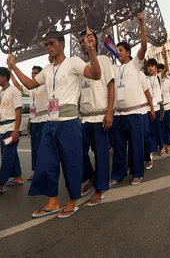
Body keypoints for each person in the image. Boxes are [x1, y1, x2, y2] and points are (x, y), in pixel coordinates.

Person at [8, 29, 101, 219]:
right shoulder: (47, 70)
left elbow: (95, 74)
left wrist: (91, 50)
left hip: (69, 123)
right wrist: (14, 67)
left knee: (71, 163)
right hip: (50, 123)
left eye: (51, 43)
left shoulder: (73, 62)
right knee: (46, 163)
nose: (48, 48)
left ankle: (72, 201)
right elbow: (30, 84)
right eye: (46, 45)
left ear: (62, 43)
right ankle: (52, 201)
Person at [111, 13, 152, 187]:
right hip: (118, 114)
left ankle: (137, 173)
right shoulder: (113, 68)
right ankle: (118, 174)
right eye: (116, 50)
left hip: (135, 113)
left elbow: (143, 46)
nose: (118, 52)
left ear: (128, 52)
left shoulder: (135, 64)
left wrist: (141, 24)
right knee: (119, 147)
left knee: (136, 145)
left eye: (121, 50)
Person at [78, 31, 115, 207]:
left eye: (88, 39)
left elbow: (111, 86)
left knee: (101, 154)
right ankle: (91, 176)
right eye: (82, 41)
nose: (84, 43)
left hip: (100, 115)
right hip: (84, 118)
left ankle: (100, 188)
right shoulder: (81, 66)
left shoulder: (104, 60)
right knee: (79, 153)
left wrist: (109, 112)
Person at [11, 65, 48, 181]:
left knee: (42, 148)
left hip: (44, 120)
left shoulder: (46, 86)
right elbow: (18, 86)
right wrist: (11, 73)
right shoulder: (31, 89)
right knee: (34, 148)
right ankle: (37, 171)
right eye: (32, 73)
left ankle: (44, 173)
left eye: (35, 73)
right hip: (33, 121)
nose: (33, 75)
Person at [145, 59, 164, 158]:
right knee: (150, 130)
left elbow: (166, 69)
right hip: (148, 108)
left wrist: (165, 58)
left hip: (157, 107)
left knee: (159, 128)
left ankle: (161, 147)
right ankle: (152, 149)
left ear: (156, 67)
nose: (150, 68)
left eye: (152, 66)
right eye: (148, 66)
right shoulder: (145, 79)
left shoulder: (158, 77)